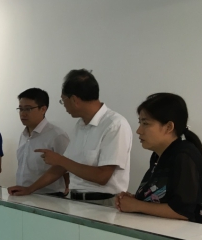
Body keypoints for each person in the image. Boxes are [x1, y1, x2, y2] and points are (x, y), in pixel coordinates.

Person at [8, 69, 132, 206]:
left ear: (74, 100)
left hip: (103, 202)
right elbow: (61, 167)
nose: (64, 106)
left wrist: (60, 160)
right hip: (76, 201)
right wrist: (30, 189)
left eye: (63, 100)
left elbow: (102, 176)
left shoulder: (114, 124)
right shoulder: (80, 125)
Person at [116, 93, 202, 224]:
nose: (139, 130)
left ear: (169, 127)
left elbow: (182, 211)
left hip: (185, 235)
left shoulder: (184, 156)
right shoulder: (160, 154)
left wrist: (137, 205)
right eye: (140, 123)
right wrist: (136, 199)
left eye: (145, 123)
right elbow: (164, 198)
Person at [7, 88, 70, 196]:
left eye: (28, 109)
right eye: (21, 109)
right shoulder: (24, 135)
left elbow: (65, 168)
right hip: (24, 194)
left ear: (43, 109)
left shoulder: (57, 135)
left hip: (49, 196)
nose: (23, 114)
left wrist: (66, 188)